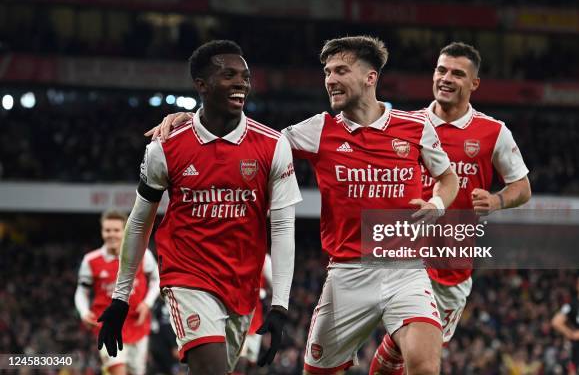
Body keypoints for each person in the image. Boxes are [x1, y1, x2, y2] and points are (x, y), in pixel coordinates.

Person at [148, 35, 460, 375]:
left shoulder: (416, 126)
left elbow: (449, 179)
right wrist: (194, 119)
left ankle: (395, 348)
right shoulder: (317, 130)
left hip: (405, 269)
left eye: (341, 70)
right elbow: (253, 142)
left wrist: (437, 204)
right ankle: (389, 351)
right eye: (327, 72)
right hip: (347, 274)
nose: (330, 80)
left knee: (425, 363)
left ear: (371, 77)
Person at [96, 40, 302, 375]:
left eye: (246, 76)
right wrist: (120, 297)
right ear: (201, 85)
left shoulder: (272, 145)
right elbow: (139, 222)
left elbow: (281, 227)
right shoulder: (166, 147)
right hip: (187, 276)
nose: (241, 83)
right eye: (229, 75)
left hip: (242, 285)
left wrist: (279, 304)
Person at [369, 41, 532, 375]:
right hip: (406, 258)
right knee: (423, 363)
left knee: (400, 352)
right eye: (441, 70)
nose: (446, 78)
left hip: (453, 268)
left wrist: (497, 200)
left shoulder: (493, 132)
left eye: (458, 73)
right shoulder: (407, 124)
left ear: (474, 83)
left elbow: (523, 187)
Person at [75, 209, 160, 375]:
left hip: (137, 326)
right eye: (107, 230)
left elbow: (157, 280)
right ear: (102, 231)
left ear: (125, 231)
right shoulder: (91, 260)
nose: (111, 234)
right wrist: (84, 312)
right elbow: (81, 291)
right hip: (108, 327)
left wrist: (147, 303)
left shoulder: (142, 254)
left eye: (116, 230)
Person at [235, 254, 273, 373]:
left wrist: (264, 293)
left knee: (251, 361)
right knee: (239, 358)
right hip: (236, 315)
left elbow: (275, 287)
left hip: (255, 318)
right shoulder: (233, 252)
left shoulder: (264, 259)